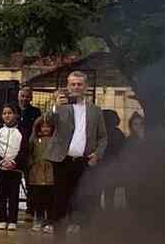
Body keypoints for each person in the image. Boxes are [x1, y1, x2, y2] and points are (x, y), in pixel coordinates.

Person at [46, 71, 107, 231]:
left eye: (79, 84)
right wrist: (55, 107)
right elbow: (48, 122)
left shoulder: (95, 110)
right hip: (62, 160)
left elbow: (103, 137)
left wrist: (98, 154)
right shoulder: (61, 107)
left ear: (85, 86)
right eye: (73, 84)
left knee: (83, 198)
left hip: (84, 162)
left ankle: (82, 234)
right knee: (60, 198)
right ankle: (58, 236)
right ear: (68, 86)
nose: (76, 87)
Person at [0, 104, 26, 230]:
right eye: (4, 113)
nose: (7, 115)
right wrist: (0, 161)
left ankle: (12, 220)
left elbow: (24, 150)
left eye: (10, 113)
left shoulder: (22, 131)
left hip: (15, 168)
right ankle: (2, 219)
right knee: (1, 194)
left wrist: (14, 162)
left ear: (15, 115)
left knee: (13, 194)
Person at [28, 116, 57, 232]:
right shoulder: (34, 140)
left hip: (51, 173)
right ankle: (39, 220)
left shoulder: (55, 140)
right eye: (43, 126)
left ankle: (50, 222)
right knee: (38, 199)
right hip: (37, 173)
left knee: (50, 199)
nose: (45, 129)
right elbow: (29, 153)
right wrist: (31, 165)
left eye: (48, 127)